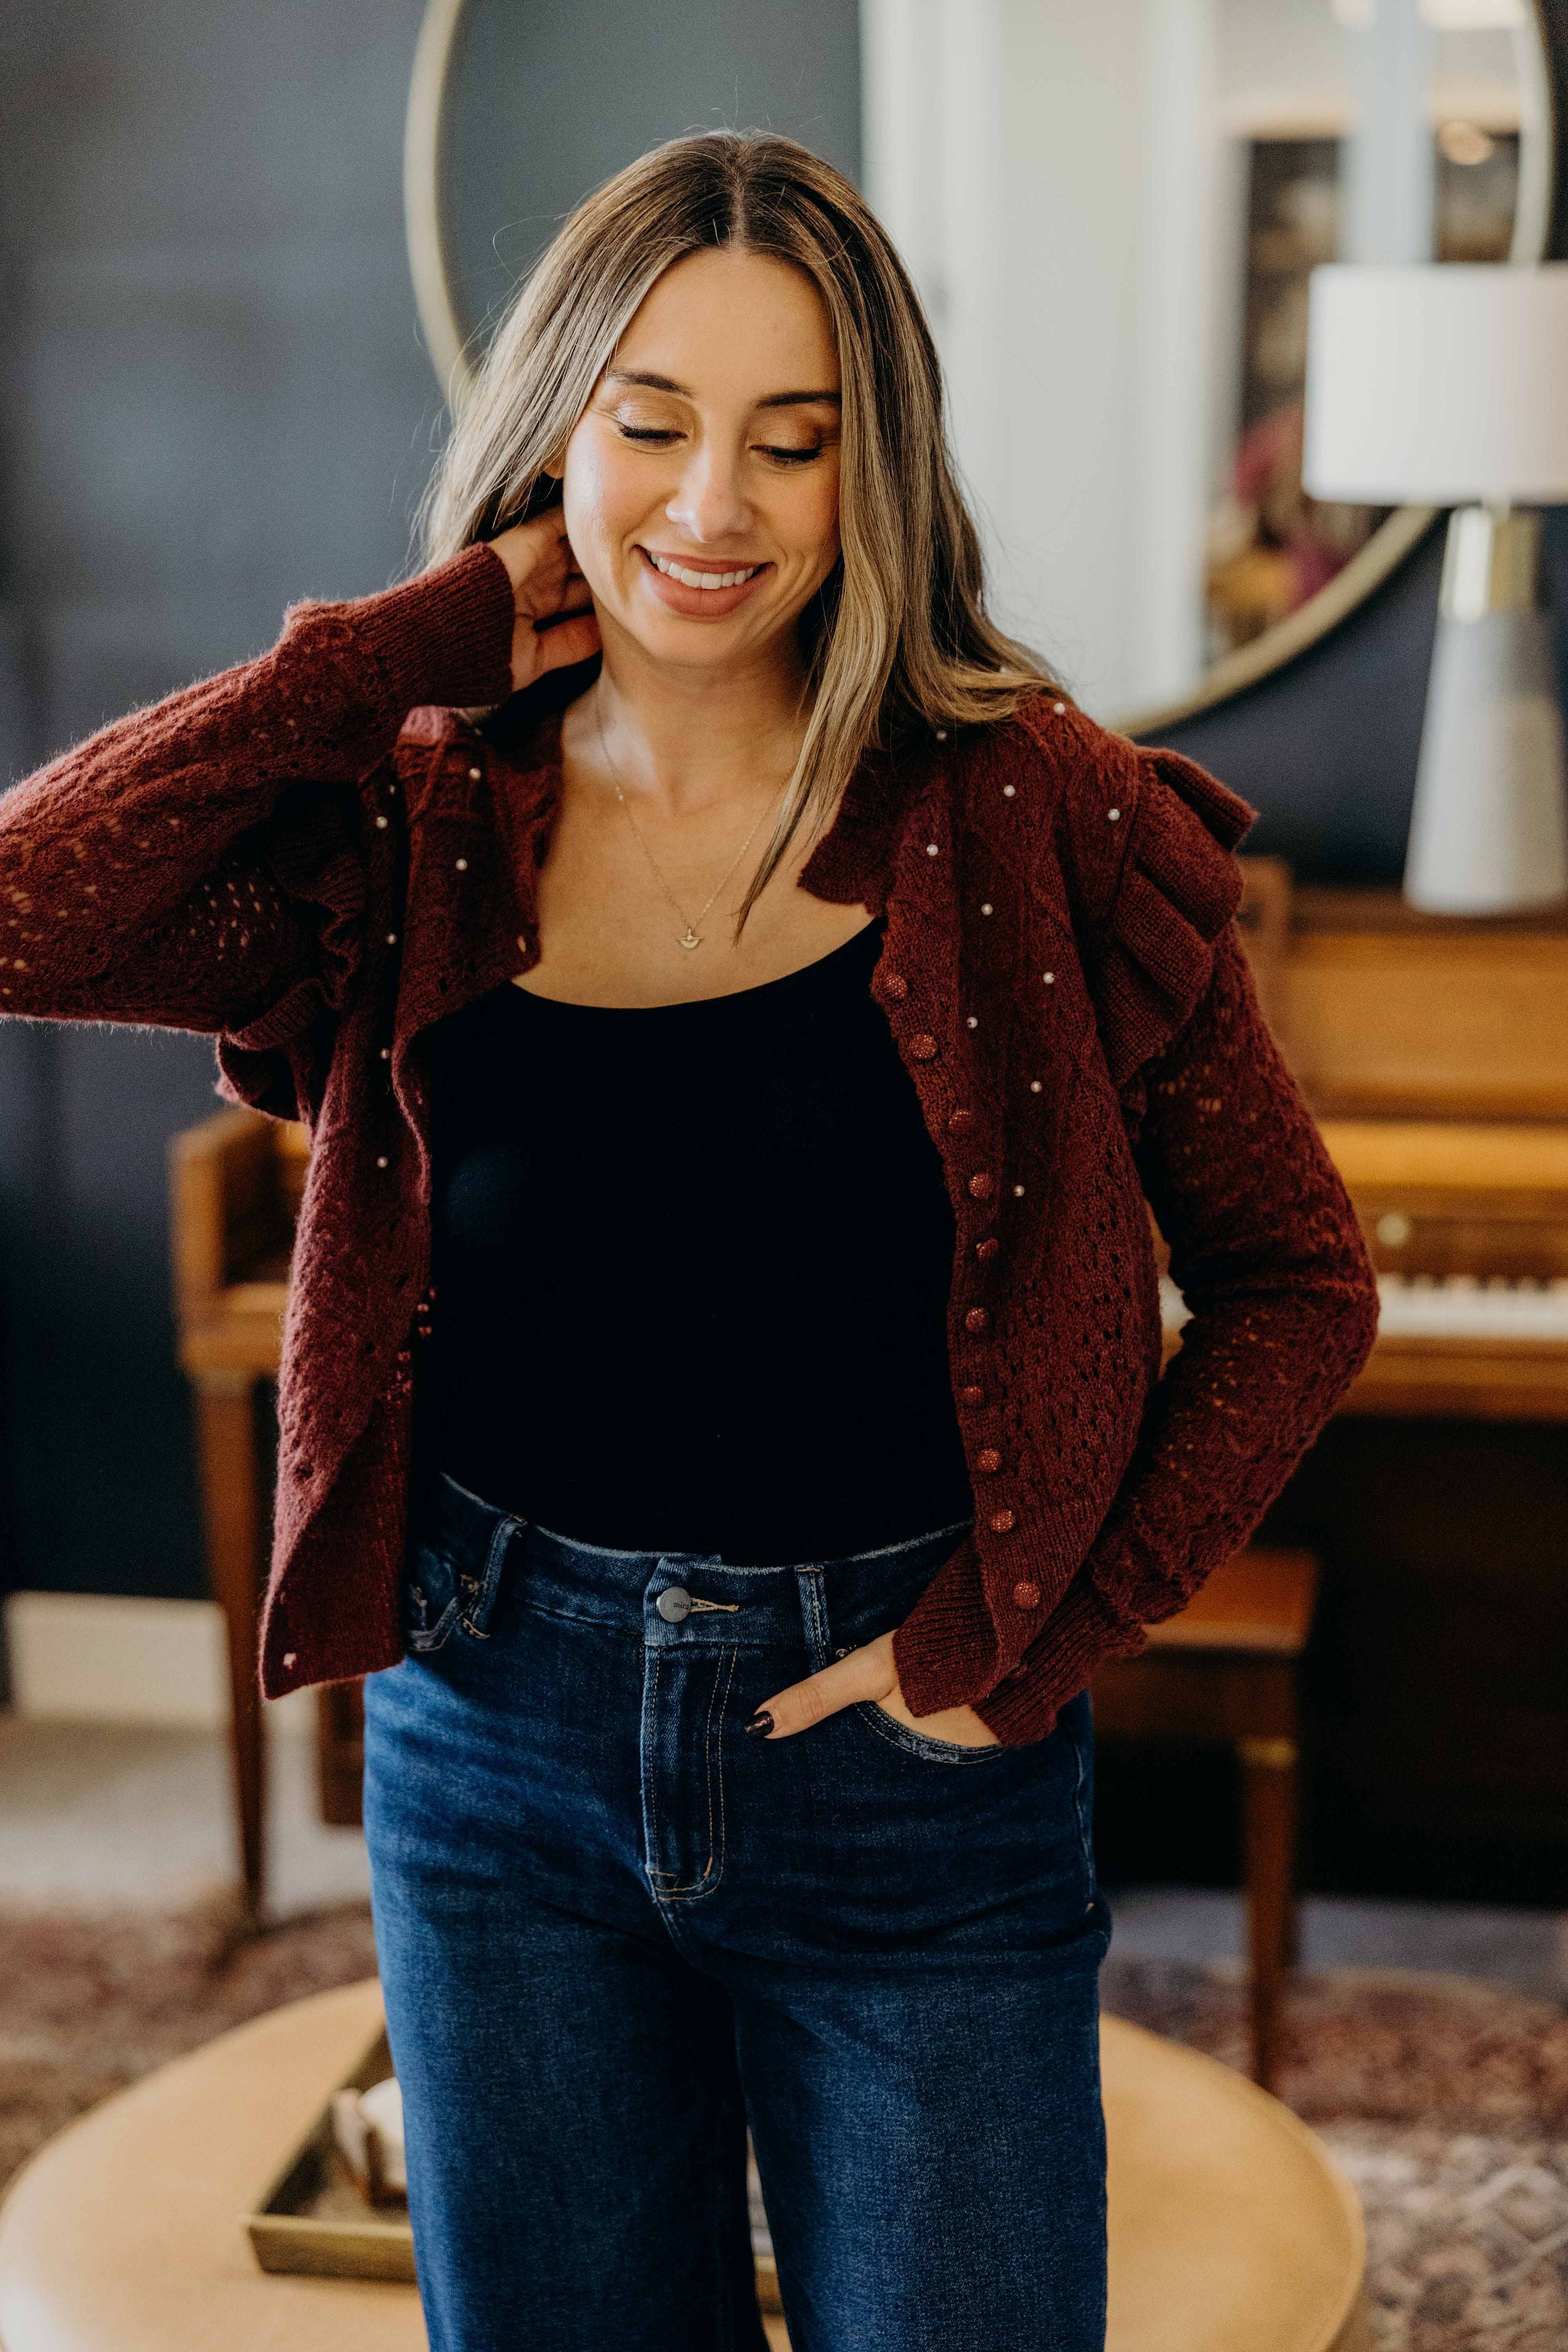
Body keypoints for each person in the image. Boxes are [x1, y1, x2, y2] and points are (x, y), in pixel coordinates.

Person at [0, 131, 1379, 2352]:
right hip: (492, 1740)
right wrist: (414, 639)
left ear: (876, 475)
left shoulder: (1036, 810)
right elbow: (23, 902)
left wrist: (1027, 1642)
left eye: (793, 440)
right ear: (558, 432)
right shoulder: (417, 802)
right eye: (649, 422)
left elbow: (1301, 1285)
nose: (713, 505)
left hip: (907, 1780)